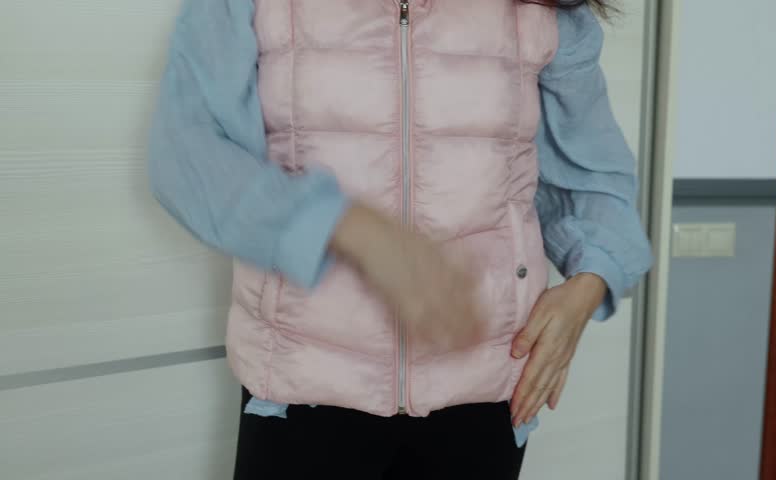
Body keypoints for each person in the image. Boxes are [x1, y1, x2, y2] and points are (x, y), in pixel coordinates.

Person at [147, 0, 652, 478]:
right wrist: (348, 227)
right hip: (301, 389)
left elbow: (596, 176)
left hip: (485, 397)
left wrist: (587, 287)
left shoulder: (538, 13)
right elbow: (189, 155)